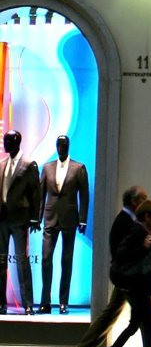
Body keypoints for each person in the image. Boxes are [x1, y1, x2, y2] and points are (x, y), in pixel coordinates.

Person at [71, 187, 151, 347]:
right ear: (134, 202)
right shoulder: (127, 222)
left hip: (127, 277)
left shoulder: (127, 220)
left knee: (118, 313)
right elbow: (123, 251)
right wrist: (141, 251)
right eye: (143, 199)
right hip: (131, 278)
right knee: (143, 319)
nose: (145, 202)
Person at [94, 199, 151, 347]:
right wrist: (143, 247)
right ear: (147, 216)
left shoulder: (142, 231)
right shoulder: (137, 232)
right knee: (148, 327)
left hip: (138, 286)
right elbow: (123, 255)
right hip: (136, 287)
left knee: (135, 325)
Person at [39, 135, 89, 315]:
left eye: (64, 144)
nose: (61, 147)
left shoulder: (78, 168)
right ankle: (45, 301)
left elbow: (84, 195)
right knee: (46, 258)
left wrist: (83, 219)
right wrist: (37, 218)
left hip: (69, 218)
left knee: (66, 261)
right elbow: (41, 194)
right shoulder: (47, 168)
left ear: (68, 146)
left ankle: (63, 302)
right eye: (59, 144)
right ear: (56, 146)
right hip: (50, 217)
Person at [0, 130, 41, 315]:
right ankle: (1, 303)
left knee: (22, 262)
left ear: (17, 142)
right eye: (4, 140)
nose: (5, 144)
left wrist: (35, 217)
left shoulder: (28, 164)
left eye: (8, 141)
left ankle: (28, 303)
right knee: (1, 262)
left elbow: (36, 193)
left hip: (19, 220)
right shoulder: (2, 164)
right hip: (2, 220)